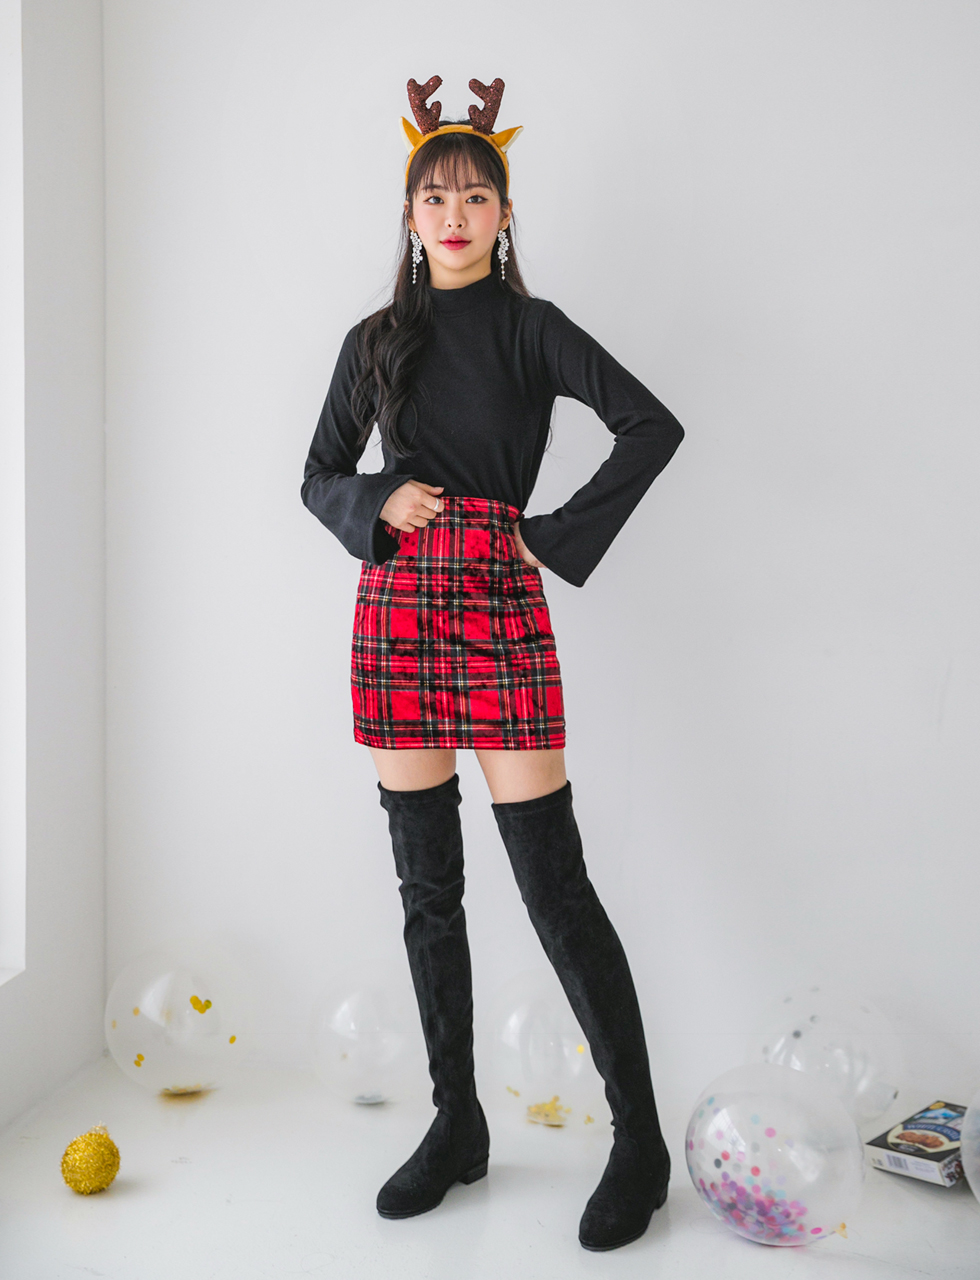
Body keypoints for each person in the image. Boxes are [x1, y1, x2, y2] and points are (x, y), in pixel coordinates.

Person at [300, 75, 685, 1252]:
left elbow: (650, 424)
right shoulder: (373, 342)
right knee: (428, 888)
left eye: (475, 195)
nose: (454, 213)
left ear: (503, 214)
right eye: (435, 196)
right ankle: (455, 1122)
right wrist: (376, 497)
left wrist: (550, 536)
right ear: (409, 213)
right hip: (396, 610)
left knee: (552, 883)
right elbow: (316, 475)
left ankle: (638, 1143)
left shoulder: (532, 327)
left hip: (498, 601)